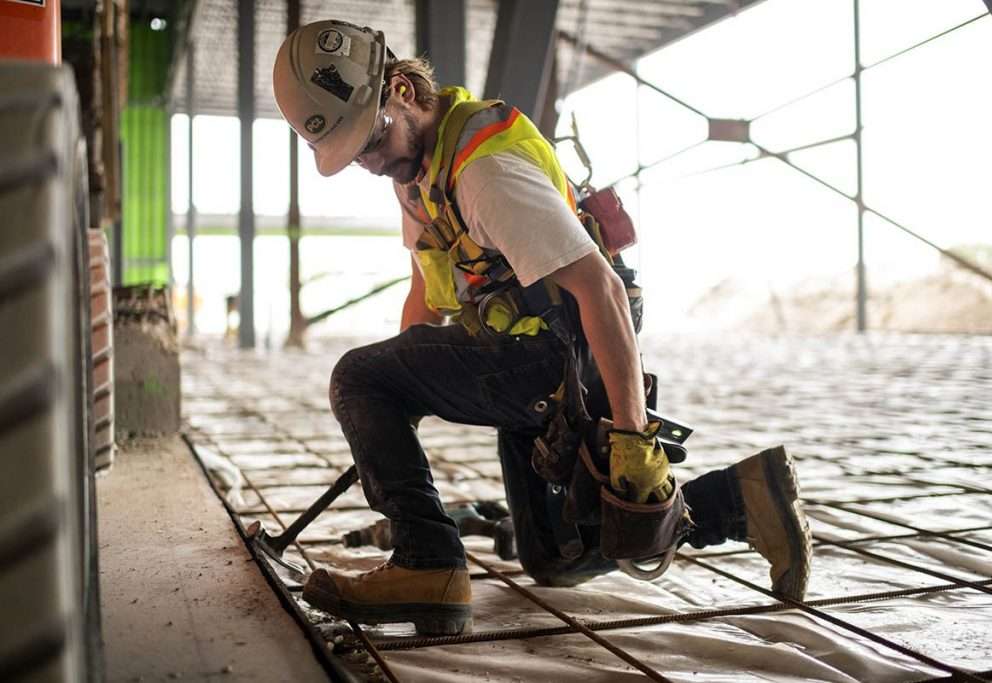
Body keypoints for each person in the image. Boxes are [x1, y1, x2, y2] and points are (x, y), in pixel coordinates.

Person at [273, 20, 812, 636]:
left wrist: (634, 437)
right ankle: (747, 499)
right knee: (556, 557)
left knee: (355, 374)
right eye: (352, 152)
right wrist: (391, 414)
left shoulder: (485, 173)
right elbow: (425, 290)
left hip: (562, 353)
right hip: (521, 352)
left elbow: (601, 290)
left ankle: (428, 563)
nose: (367, 161)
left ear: (400, 89)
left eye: (369, 140)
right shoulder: (415, 169)